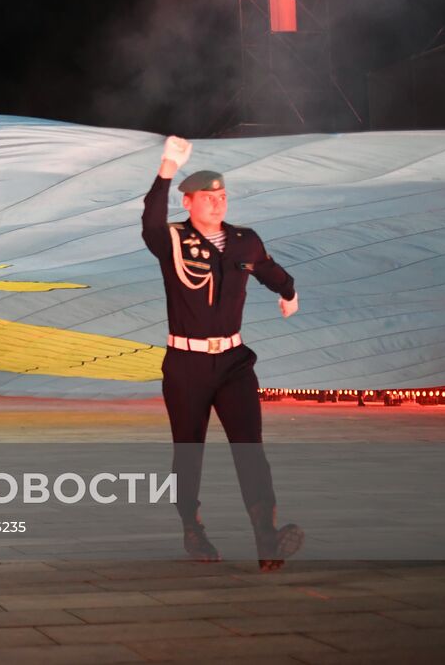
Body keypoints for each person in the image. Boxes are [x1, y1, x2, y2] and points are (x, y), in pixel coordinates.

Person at [141, 135, 304, 571]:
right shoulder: (172, 240)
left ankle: (266, 537)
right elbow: (150, 223)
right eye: (209, 197)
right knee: (188, 450)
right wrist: (168, 166)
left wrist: (288, 292)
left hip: (233, 362)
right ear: (188, 202)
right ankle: (192, 528)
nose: (218, 203)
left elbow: (268, 269)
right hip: (186, 365)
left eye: (223, 196)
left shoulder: (244, 241)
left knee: (250, 446)